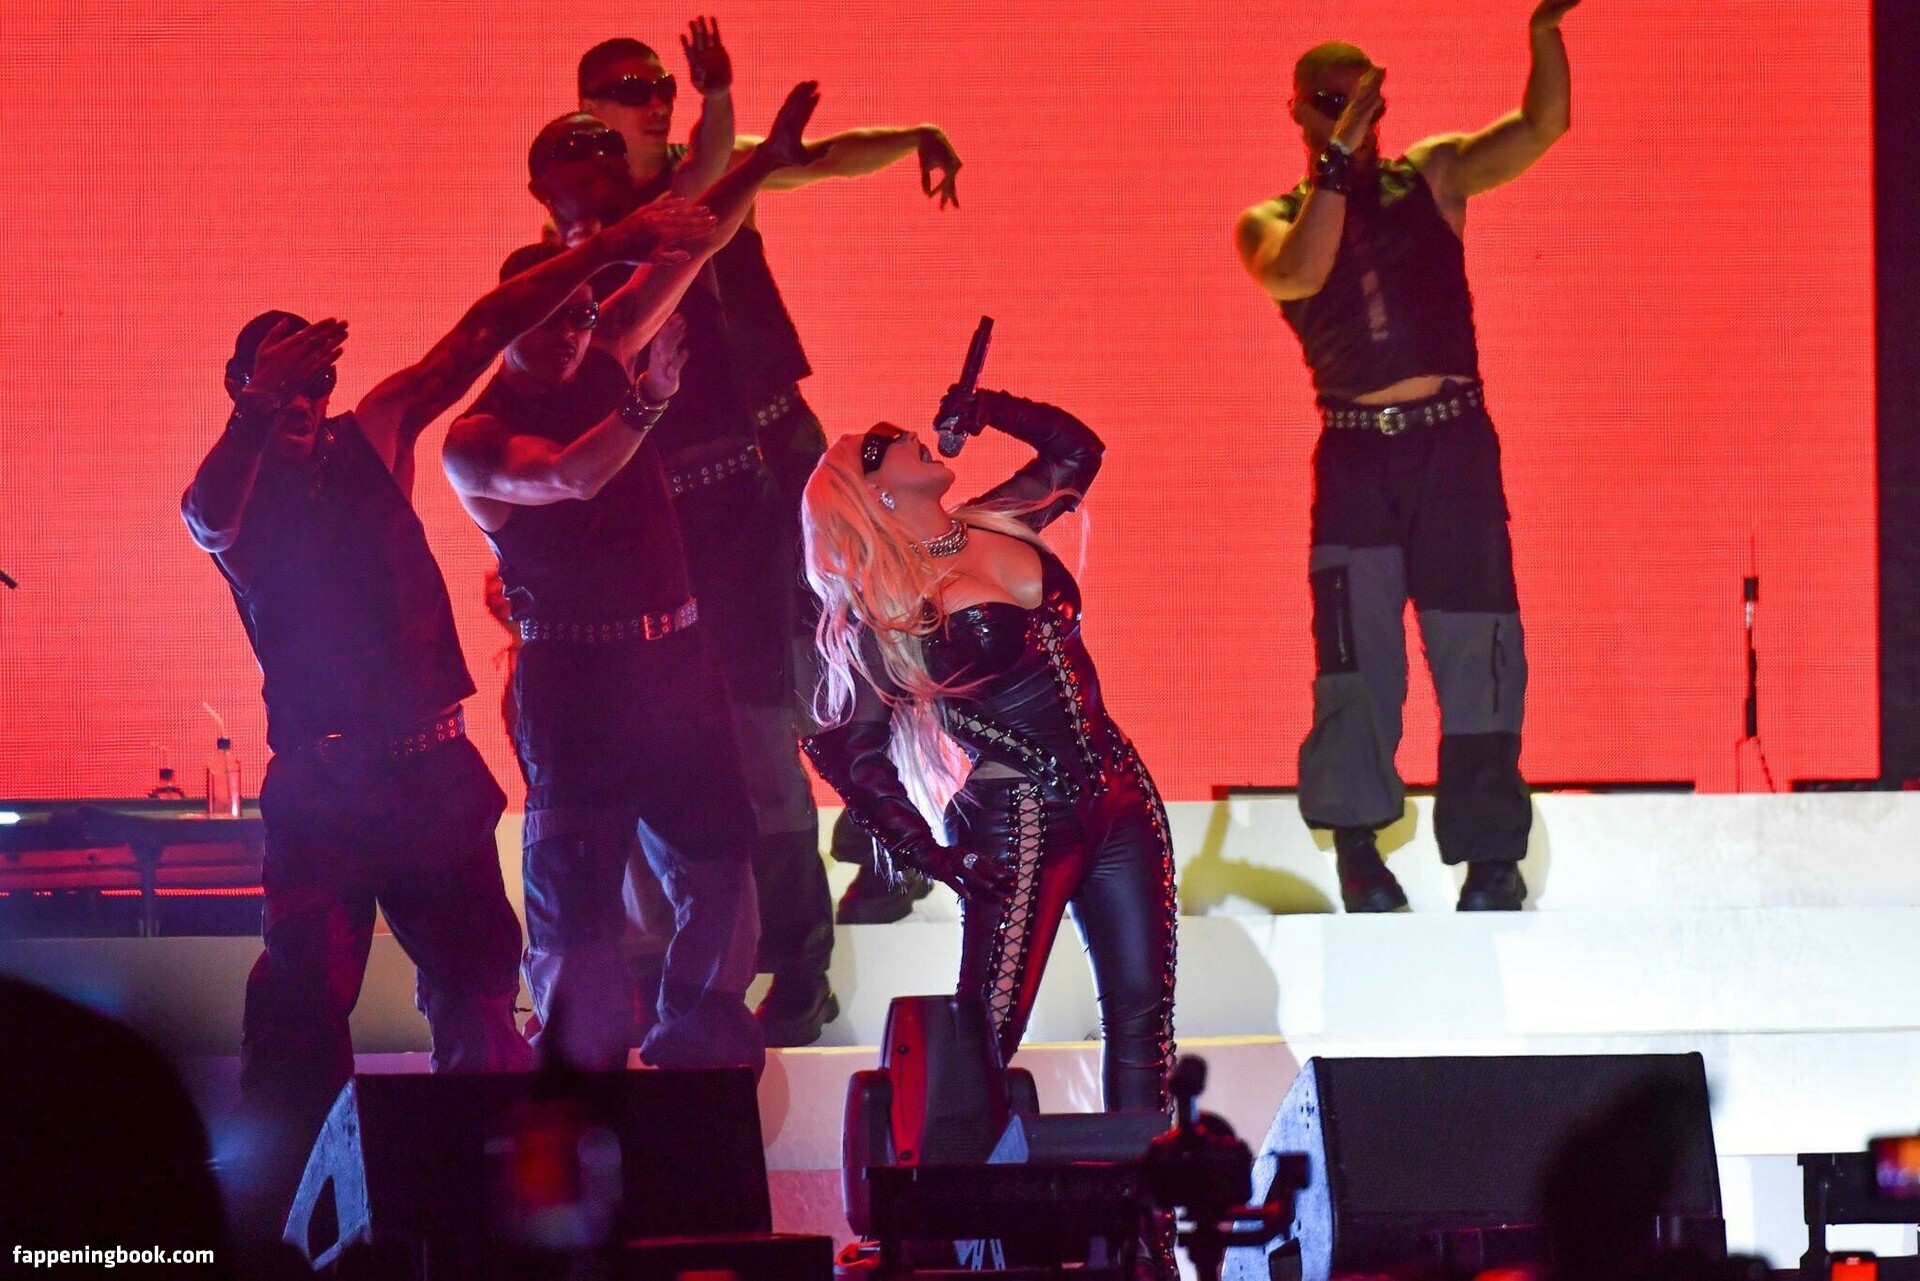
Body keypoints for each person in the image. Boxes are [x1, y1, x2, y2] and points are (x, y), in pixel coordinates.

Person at [179, 195, 706, 1239]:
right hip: (325, 793)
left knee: (479, 994)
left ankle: (485, 1218)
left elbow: (476, 332)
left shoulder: (372, 438)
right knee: (301, 1002)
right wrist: (258, 405)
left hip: (431, 780)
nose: (305, 400)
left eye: (315, 380)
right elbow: (204, 514)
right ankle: (281, 1226)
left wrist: (612, 246)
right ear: (243, 391)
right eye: (280, 384)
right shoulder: (231, 501)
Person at [573, 26, 965, 1029]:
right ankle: (777, 940)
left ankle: (881, 845)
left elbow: (808, 159)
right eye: (628, 88)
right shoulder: (589, 236)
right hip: (690, 500)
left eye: (658, 85)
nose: (650, 99)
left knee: (834, 661)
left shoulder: (714, 179)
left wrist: (915, 134)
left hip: (779, 456)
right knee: (749, 720)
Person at [443, 83, 822, 1072]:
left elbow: (694, 246)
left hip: (675, 664)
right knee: (577, 892)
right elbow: (570, 475)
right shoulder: (476, 437)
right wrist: (649, 405)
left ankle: (701, 1048)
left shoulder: (605, 343)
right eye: (550, 321)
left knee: (720, 864)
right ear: (506, 327)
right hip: (578, 683)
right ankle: (584, 1067)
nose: (573, 333)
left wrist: (763, 161)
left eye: (581, 316)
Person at [1232, 0, 1581, 913]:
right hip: (1356, 460)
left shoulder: (1433, 177)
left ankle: (1491, 858)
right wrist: (1337, 162)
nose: (1348, 114)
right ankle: (1359, 851)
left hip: (1452, 447)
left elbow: (1542, 126)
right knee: (1357, 659)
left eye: (1360, 99)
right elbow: (1299, 271)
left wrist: (1543, 35)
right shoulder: (1269, 220)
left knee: (1479, 648)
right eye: (1329, 100)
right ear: (1298, 110)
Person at [800, 382, 1177, 1112]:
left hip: (1120, 792)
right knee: (987, 1033)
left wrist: (990, 409)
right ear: (871, 494)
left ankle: (1147, 1191)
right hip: (1021, 819)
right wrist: (931, 856)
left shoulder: (997, 519)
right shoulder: (889, 601)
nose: (903, 431)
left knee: (1144, 1024)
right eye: (880, 444)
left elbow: (1078, 452)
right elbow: (854, 756)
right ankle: (939, 1182)